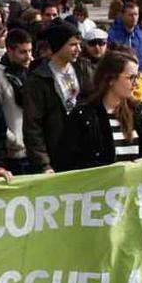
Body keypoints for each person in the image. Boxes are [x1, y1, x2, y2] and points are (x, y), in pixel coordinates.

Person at [53, 50, 142, 283]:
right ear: (111, 79)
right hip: (97, 216)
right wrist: (114, 172)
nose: (136, 83)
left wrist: (141, 169)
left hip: (132, 214)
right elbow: (67, 164)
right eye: (131, 77)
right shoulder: (83, 116)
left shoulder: (139, 115)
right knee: (99, 282)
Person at [23, 20, 94, 173]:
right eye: (73, 45)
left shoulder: (84, 69)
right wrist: (43, 164)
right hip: (55, 155)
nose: (78, 49)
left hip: (84, 154)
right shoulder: (38, 79)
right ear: (58, 45)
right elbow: (32, 126)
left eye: (79, 44)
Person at [0, 28, 33, 175]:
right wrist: (14, 140)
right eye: (23, 52)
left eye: (30, 51)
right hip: (11, 155)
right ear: (9, 50)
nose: (28, 57)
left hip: (32, 150)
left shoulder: (29, 73)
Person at [107, 2, 142, 69]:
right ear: (122, 15)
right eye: (130, 15)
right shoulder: (111, 35)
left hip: (139, 74)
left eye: (136, 14)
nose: (134, 18)